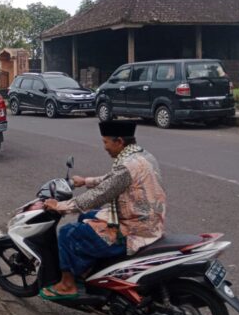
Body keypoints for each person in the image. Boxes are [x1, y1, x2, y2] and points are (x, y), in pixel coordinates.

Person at [40, 120, 166, 300]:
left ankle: (67, 285)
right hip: (148, 221)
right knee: (86, 217)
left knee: (68, 233)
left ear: (119, 141)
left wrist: (60, 206)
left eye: (106, 142)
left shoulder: (127, 166)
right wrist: (86, 181)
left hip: (133, 230)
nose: (105, 147)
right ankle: (90, 270)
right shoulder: (142, 156)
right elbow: (114, 180)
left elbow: (99, 195)